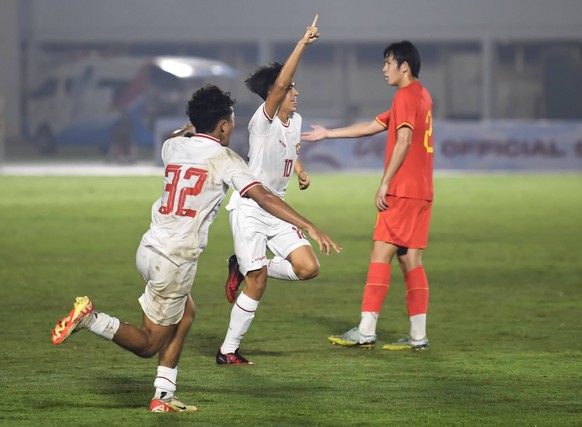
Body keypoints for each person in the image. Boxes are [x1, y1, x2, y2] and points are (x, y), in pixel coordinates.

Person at [51, 84, 340, 413]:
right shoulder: (226, 159)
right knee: (148, 344)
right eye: (230, 121)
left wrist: (189, 129)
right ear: (222, 125)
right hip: (175, 261)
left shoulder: (173, 146)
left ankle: (163, 396)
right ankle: (91, 319)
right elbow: (265, 197)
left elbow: (177, 135)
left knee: (186, 314)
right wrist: (308, 225)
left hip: (149, 248)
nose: (232, 126)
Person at [301, 40, 433, 351]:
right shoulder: (421, 95)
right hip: (423, 191)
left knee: (379, 254)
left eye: (388, 63)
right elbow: (373, 125)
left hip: (402, 191)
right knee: (410, 259)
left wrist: (385, 182)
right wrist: (329, 133)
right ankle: (418, 335)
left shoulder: (404, 95)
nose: (383, 68)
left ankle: (366, 329)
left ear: (404, 66)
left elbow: (402, 140)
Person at [217, 16, 320, 365]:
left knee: (308, 268)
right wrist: (302, 43)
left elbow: (291, 150)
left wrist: (301, 170)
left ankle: (245, 264)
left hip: (277, 208)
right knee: (257, 284)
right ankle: (227, 351)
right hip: (249, 208)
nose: (295, 92)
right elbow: (280, 85)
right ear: (276, 92)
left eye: (294, 89)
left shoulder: (297, 120)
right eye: (291, 88)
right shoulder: (264, 120)